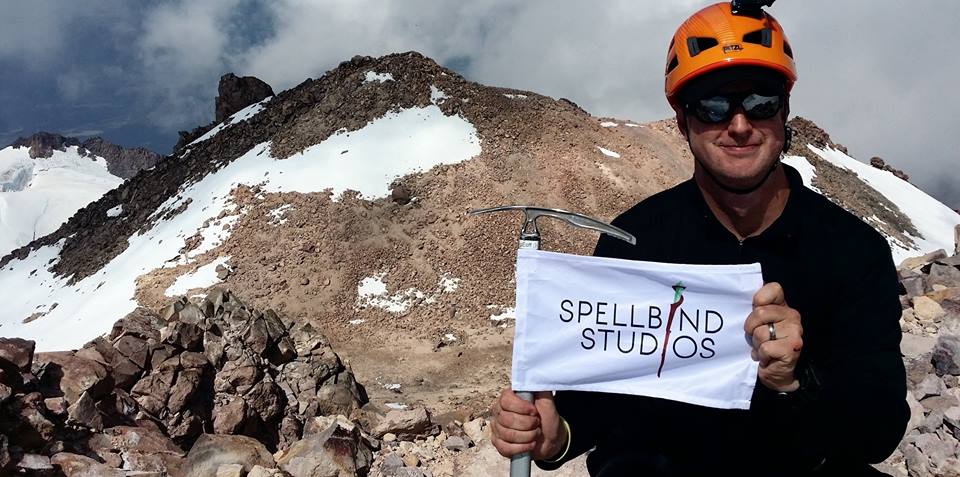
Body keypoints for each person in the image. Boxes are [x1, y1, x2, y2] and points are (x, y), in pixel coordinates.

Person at [490, 2, 909, 476]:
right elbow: (597, 403)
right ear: (682, 121)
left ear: (785, 110)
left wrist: (795, 381)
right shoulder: (634, 242)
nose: (739, 124)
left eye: (761, 102)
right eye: (712, 105)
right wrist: (554, 436)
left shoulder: (853, 250)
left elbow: (878, 431)